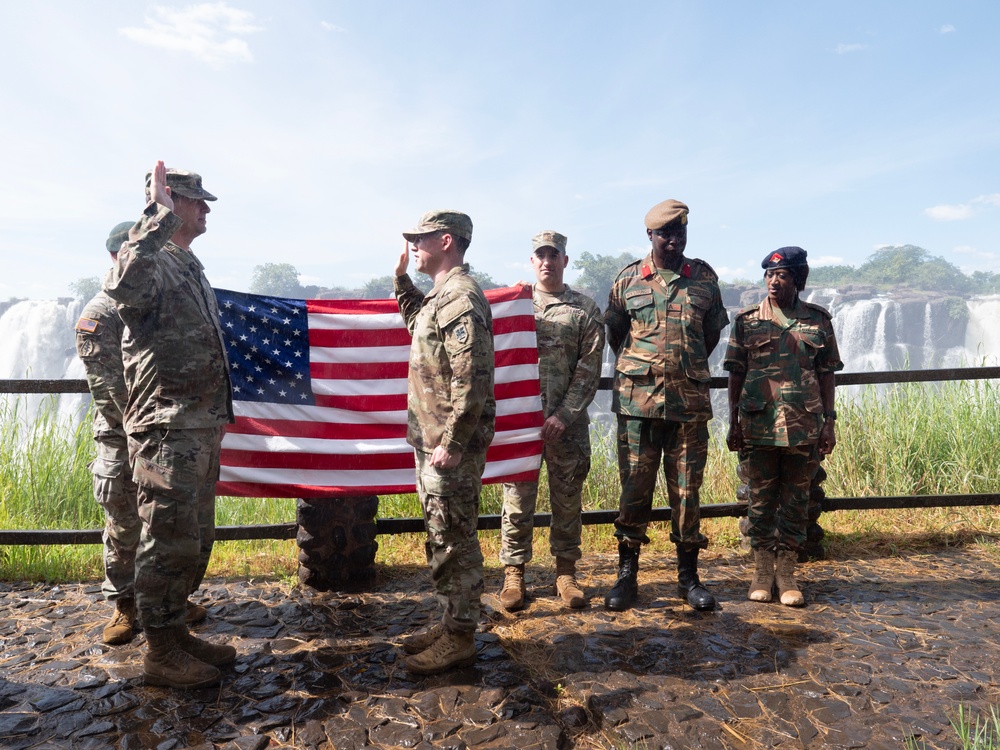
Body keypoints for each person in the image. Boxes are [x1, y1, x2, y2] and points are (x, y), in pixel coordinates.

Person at [102, 161, 236, 688]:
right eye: (196, 200)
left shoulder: (188, 263)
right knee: (167, 538)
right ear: (170, 202)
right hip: (167, 427)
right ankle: (160, 652)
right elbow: (125, 286)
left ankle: (175, 631)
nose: (205, 209)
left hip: (198, 424)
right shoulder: (150, 257)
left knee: (192, 538)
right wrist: (153, 215)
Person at [76, 222, 213, 646]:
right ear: (120, 255)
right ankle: (125, 605)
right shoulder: (101, 313)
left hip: (158, 437)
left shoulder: (158, 300)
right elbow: (111, 393)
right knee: (125, 526)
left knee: (176, 526)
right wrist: (145, 440)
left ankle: (169, 601)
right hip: (124, 439)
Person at [603, 199, 729, 612]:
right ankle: (626, 577)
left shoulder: (704, 280)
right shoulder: (627, 281)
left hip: (688, 407)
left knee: (687, 492)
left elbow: (711, 336)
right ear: (650, 236)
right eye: (665, 234)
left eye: (680, 233)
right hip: (637, 407)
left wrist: (683, 367)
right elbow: (617, 333)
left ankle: (688, 577)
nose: (674, 240)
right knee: (634, 491)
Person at [393, 209, 496, 675]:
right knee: (442, 534)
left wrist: (453, 441)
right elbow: (421, 326)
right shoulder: (441, 295)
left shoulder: (459, 296)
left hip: (448, 445)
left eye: (421, 238)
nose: (412, 244)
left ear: (447, 241)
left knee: (454, 539)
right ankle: (451, 621)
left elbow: (471, 377)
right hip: (434, 439)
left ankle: (459, 637)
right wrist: (401, 283)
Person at [723, 247, 843, 606]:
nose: (774, 282)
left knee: (795, 501)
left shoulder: (818, 321)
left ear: (798, 280)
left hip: (803, 423)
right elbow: (736, 374)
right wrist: (733, 422)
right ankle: (762, 572)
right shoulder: (746, 320)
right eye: (770, 276)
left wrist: (829, 423)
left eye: (783, 276)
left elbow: (827, 375)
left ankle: (787, 574)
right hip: (758, 424)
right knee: (759, 501)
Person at [498, 231, 605, 611]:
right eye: (540, 255)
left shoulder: (583, 309)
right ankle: (514, 575)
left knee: (567, 501)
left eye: (553, 255)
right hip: (521, 424)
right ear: (532, 261)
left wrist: (564, 414)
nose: (547, 261)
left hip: (568, 426)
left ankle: (566, 573)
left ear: (564, 260)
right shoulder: (513, 304)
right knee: (516, 500)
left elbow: (589, 370)